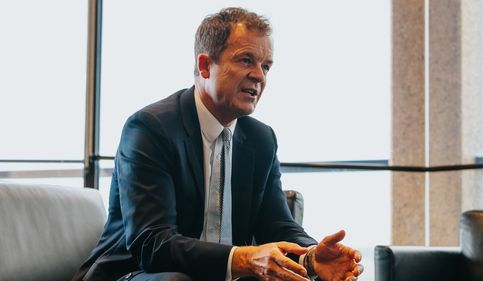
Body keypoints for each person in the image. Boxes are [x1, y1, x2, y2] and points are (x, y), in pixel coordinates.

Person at [72, 7, 363, 281]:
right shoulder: (150, 128)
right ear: (205, 65)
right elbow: (152, 244)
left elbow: (277, 225)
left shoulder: (261, 139)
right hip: (135, 273)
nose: (259, 76)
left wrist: (310, 258)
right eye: (246, 60)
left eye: (266, 66)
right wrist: (244, 259)